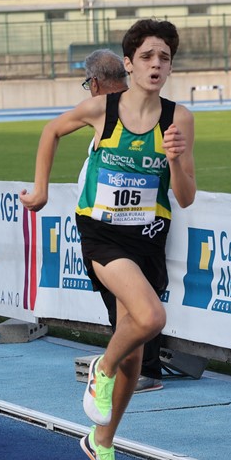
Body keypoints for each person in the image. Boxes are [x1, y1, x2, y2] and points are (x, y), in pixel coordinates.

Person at [19, 19, 196, 460]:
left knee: (134, 355)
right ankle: (101, 369)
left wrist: (176, 160)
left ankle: (102, 441)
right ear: (130, 64)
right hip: (102, 234)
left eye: (164, 58)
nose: (156, 65)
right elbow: (52, 131)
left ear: (170, 67)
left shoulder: (179, 119)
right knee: (151, 317)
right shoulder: (103, 109)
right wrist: (40, 188)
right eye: (147, 57)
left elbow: (186, 196)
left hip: (149, 238)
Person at [79, 48, 165, 394]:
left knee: (134, 305)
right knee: (135, 303)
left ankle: (125, 369)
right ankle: (126, 370)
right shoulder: (135, 108)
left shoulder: (116, 111)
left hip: (122, 225)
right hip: (132, 224)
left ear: (95, 83)